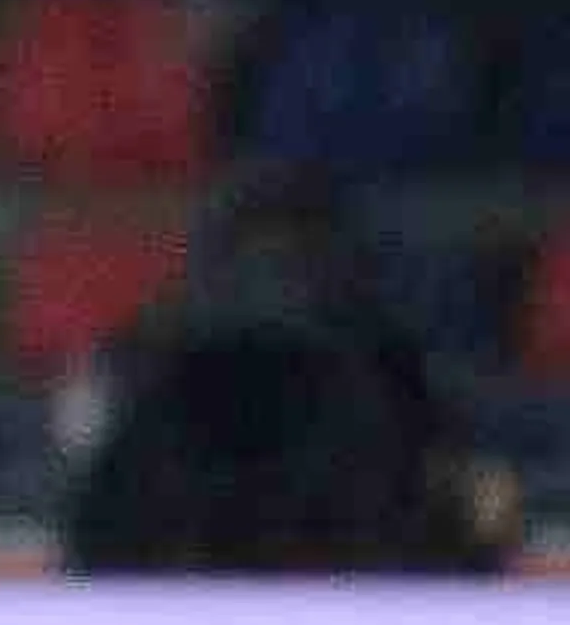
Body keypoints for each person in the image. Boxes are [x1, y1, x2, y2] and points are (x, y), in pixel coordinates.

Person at [58, 161, 523, 576]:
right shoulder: (146, 362)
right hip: (192, 589)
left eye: (292, 256)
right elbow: (96, 533)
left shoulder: (392, 370)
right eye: (258, 256)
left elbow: (467, 524)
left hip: (346, 596)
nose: (272, 278)